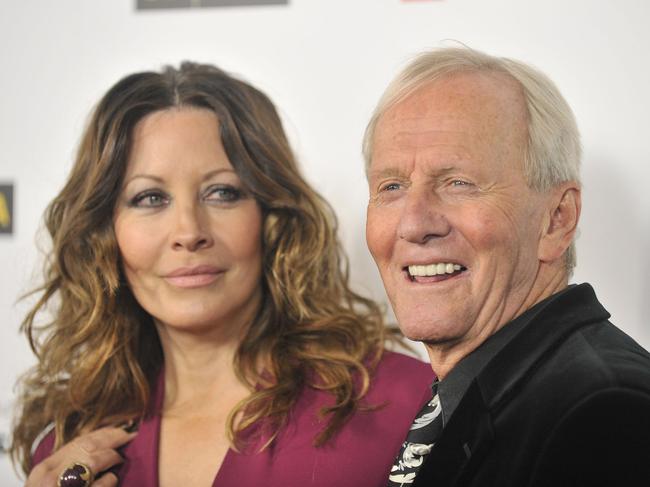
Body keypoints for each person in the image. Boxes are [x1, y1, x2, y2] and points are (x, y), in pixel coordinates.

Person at [10, 62, 433, 487]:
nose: (189, 233)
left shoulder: (400, 407)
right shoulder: (69, 453)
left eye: (222, 192)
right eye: (150, 198)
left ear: (271, 217)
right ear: (105, 232)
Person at [363, 46, 650, 486]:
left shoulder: (606, 415)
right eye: (392, 185)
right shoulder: (470, 391)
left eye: (459, 183)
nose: (414, 224)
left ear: (557, 218)